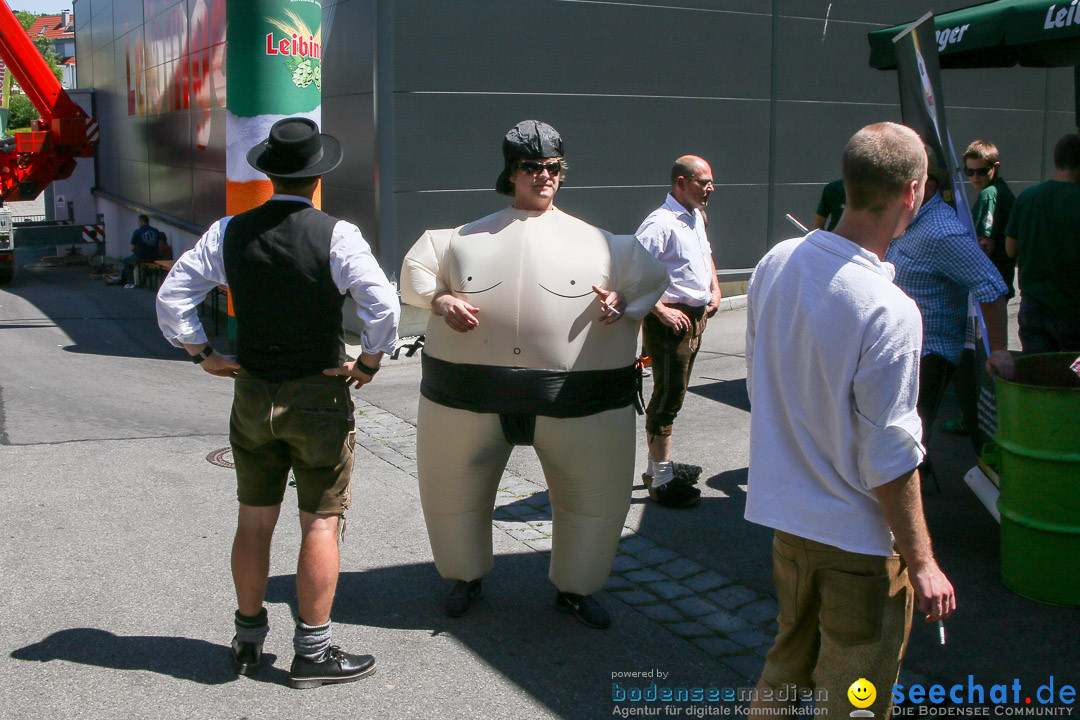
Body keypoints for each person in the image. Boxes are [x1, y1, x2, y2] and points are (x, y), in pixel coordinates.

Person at [156, 117, 400, 689]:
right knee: (320, 522)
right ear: (317, 177)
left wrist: (202, 353)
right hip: (316, 390)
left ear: (268, 174)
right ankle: (312, 653)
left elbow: (174, 297)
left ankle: (247, 640)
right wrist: (368, 362)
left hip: (252, 389)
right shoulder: (337, 234)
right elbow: (383, 306)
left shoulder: (228, 232)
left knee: (254, 518)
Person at [401, 120, 667, 630]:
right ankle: (464, 576)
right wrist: (441, 298)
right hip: (464, 399)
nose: (543, 176)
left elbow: (650, 281)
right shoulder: (459, 240)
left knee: (591, 507)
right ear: (511, 173)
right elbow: (417, 274)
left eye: (552, 168)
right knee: (453, 501)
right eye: (531, 167)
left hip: (579, 401)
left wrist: (622, 301)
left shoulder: (606, 245)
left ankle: (576, 588)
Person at [744, 122, 955, 718]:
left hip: (791, 525)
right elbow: (889, 453)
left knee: (785, 671)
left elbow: (762, 384)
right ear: (914, 191)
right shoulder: (889, 308)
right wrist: (923, 562)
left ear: (848, 181)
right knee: (854, 698)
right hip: (858, 546)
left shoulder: (778, 261)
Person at [883, 146, 1013, 449]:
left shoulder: (941, 232)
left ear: (926, 186)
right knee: (894, 438)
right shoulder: (908, 218)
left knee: (904, 441)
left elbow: (991, 285)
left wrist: (1001, 350)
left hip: (930, 352)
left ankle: (908, 487)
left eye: (902, 184)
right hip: (901, 347)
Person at [635, 156, 722, 508]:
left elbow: (706, 255)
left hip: (696, 318)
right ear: (681, 182)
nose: (711, 188)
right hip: (672, 321)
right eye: (704, 182)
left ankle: (660, 467)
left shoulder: (696, 217)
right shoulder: (660, 223)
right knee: (668, 397)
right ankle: (662, 479)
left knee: (676, 393)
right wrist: (660, 309)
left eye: (712, 182)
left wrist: (715, 289)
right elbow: (632, 272)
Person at [1005, 133, 1080, 353]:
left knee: (1039, 375)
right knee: (1073, 378)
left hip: (1033, 310)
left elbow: (1010, 250)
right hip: (1073, 313)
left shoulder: (1028, 197)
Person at [964, 139, 1016, 296]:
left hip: (990, 284)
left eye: (981, 171)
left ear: (996, 167)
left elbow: (985, 245)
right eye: (970, 172)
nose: (975, 177)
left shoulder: (990, 194)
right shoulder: (1001, 190)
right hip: (999, 280)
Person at [113, 214, 160, 287]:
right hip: (154, 257)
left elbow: (132, 248)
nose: (138, 223)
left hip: (141, 256)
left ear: (142, 222)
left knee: (126, 261)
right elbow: (159, 245)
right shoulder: (156, 231)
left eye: (138, 221)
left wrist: (136, 253)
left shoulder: (137, 232)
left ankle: (130, 282)